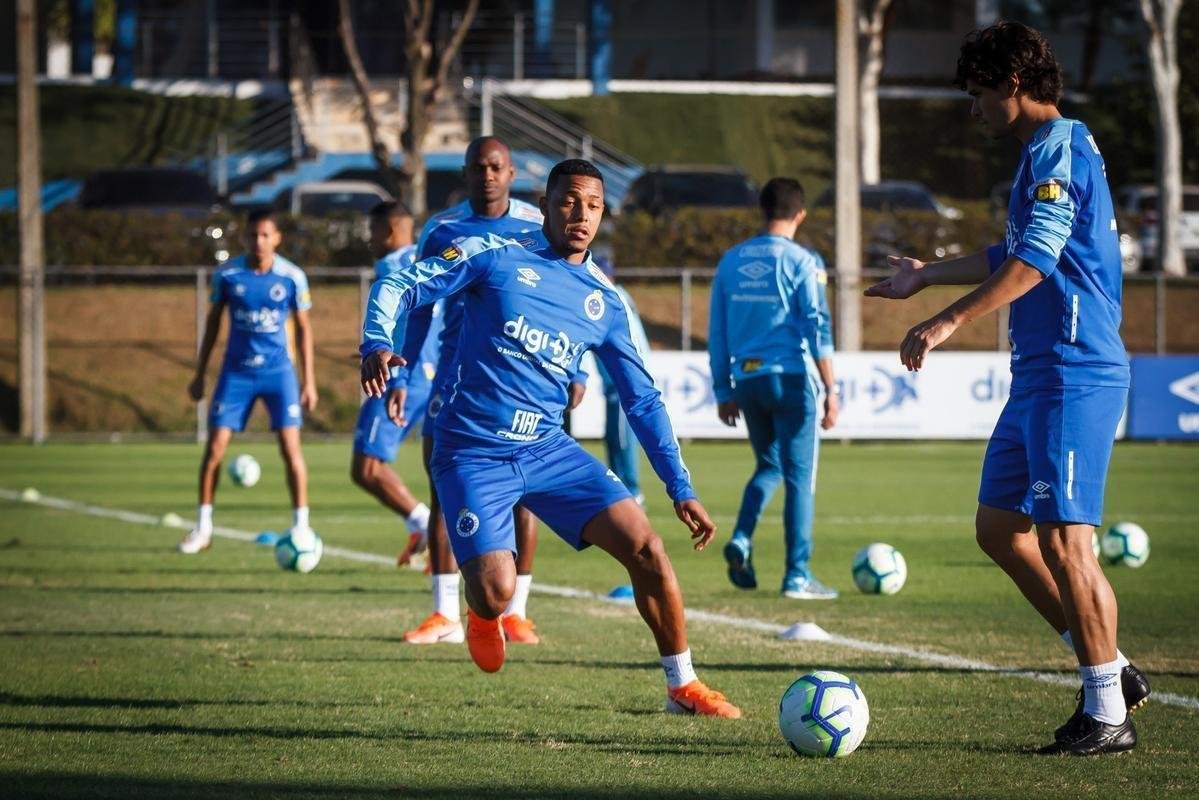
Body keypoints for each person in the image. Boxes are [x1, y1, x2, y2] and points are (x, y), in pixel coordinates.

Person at [360, 159, 740, 718]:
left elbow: (641, 398)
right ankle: (483, 612)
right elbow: (401, 283)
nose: (580, 214)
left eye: (592, 204)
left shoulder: (604, 303)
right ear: (544, 206)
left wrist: (680, 486)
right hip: (471, 450)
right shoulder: (495, 256)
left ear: (603, 213)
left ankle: (682, 686)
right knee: (496, 590)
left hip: (546, 449)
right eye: (568, 201)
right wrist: (376, 342)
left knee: (647, 548)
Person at [865, 21, 1148, 755]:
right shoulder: (1039, 155)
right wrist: (924, 273)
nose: (974, 110)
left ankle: (1104, 712)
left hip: (1074, 370)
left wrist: (944, 320)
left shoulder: (1057, 148)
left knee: (1065, 541)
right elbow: (1010, 247)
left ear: (1011, 87)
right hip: (1039, 376)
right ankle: (1113, 670)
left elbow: (1035, 259)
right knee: (999, 530)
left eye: (977, 95)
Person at [394, 136, 580, 647]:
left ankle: (516, 611)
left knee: (526, 494)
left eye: (496, 167)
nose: (488, 175)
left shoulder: (533, 226)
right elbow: (417, 309)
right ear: (466, 172)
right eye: (479, 167)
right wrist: (403, 373)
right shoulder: (443, 230)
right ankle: (444, 613)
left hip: (528, 378)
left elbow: (567, 295)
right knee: (442, 490)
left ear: (512, 172)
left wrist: (576, 372)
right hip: (455, 380)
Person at [708, 177, 839, 600]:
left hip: (746, 381)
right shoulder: (802, 262)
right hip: (789, 378)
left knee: (770, 466)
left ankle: (743, 538)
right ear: (800, 214)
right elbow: (816, 324)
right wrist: (831, 387)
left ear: (762, 210)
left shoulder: (730, 261)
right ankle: (797, 575)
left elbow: (717, 332)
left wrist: (723, 390)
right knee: (800, 478)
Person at [181, 210, 317, 553]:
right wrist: (199, 373)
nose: (259, 241)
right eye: (253, 235)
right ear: (246, 238)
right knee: (214, 450)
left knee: (291, 448)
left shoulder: (291, 277)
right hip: (236, 372)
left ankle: (302, 527)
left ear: (276, 238)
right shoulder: (228, 274)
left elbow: (303, 331)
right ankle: (203, 528)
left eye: (265, 235)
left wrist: (308, 381)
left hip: (279, 374)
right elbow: (212, 325)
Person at [350, 201, 440, 566]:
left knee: (366, 467)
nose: (369, 240)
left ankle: (426, 526)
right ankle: (432, 529)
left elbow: (402, 322)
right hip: (430, 373)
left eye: (372, 232)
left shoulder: (391, 266)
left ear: (389, 231)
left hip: (400, 373)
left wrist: (391, 367)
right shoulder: (428, 260)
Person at [593, 256, 648, 506]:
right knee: (613, 438)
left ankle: (631, 493)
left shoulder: (611, 298)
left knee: (623, 439)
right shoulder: (617, 296)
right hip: (615, 383)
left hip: (625, 381)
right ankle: (619, 493)